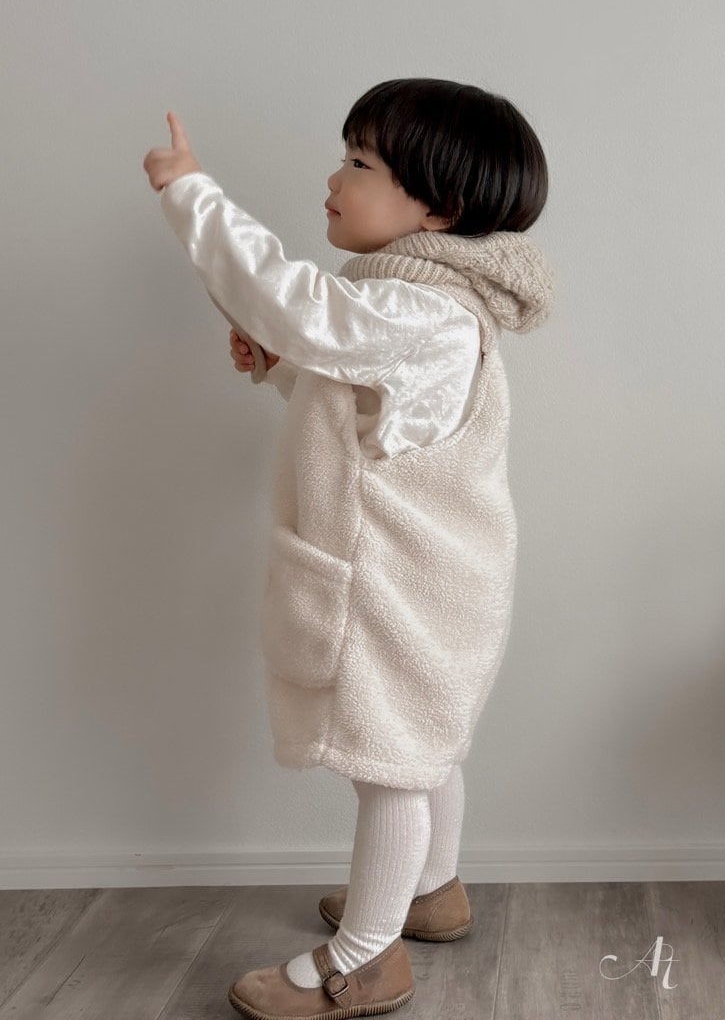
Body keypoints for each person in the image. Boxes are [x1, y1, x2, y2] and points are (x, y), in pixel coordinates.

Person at [143, 79, 555, 1019]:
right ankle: (430, 892)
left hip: (401, 587)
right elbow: (370, 426)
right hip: (430, 581)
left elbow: (291, 303)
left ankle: (367, 959)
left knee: (391, 765)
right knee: (424, 749)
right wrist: (284, 371)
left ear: (439, 209)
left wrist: (191, 193)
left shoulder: (425, 313)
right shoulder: (415, 309)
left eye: (361, 163)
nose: (334, 178)